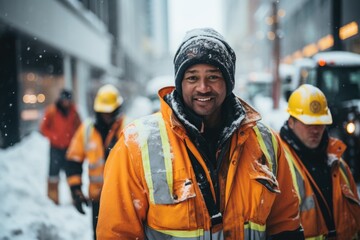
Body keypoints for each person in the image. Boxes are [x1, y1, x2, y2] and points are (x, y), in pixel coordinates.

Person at [97, 28, 304, 239]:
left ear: (228, 82)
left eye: (213, 77)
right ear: (179, 84)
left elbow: (284, 225)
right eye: (192, 78)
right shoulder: (136, 144)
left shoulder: (266, 141)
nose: (203, 88)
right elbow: (117, 232)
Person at [279, 84, 360, 239]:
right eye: (308, 124)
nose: (315, 130)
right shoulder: (279, 164)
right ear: (291, 122)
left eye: (319, 124)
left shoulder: (338, 163)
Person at [66, 84, 127, 240]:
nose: (107, 115)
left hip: (124, 199)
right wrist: (76, 190)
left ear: (118, 108)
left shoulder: (128, 128)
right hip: (98, 198)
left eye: (110, 111)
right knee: (100, 236)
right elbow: (73, 160)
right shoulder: (87, 130)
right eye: (103, 111)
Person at [40, 89, 81, 205]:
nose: (66, 103)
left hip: (69, 149)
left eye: (68, 100)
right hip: (55, 148)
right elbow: (43, 128)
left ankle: (75, 198)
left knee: (71, 174)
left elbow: (80, 128)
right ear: (61, 100)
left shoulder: (74, 111)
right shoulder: (51, 111)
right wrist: (53, 137)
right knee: (53, 174)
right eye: (64, 100)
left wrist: (75, 140)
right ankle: (52, 200)